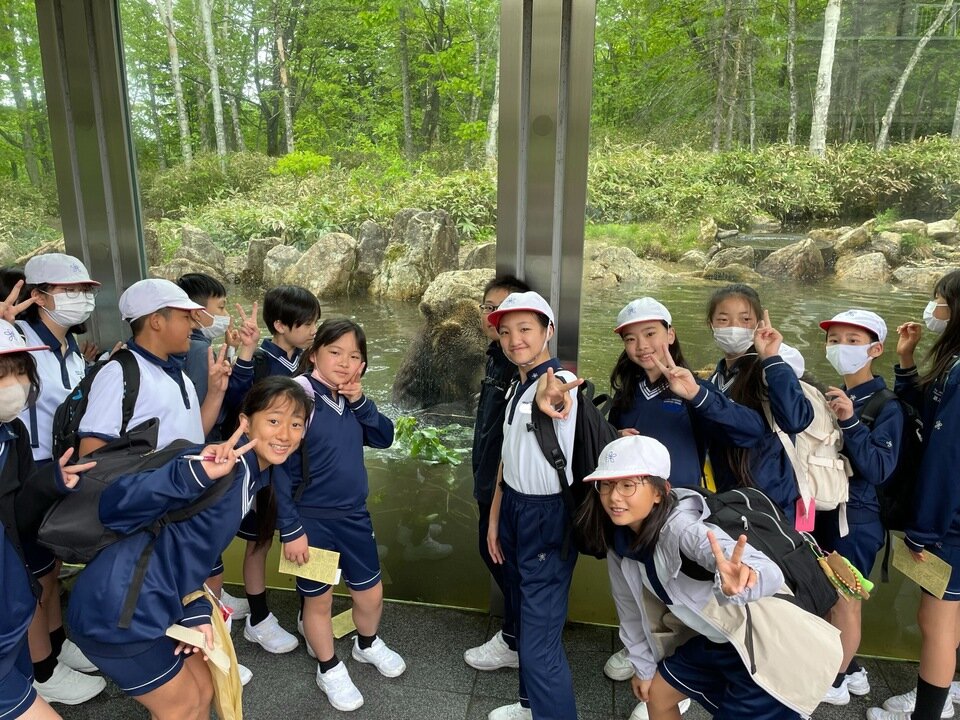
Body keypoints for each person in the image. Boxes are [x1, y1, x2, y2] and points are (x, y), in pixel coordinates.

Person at [66, 376, 310, 719]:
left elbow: (194, 549)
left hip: (158, 597)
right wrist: (192, 473)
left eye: (296, 424)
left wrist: (194, 610)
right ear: (244, 422)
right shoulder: (213, 463)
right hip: (119, 608)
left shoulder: (252, 476)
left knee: (203, 691)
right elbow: (113, 504)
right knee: (182, 706)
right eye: (273, 420)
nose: (285, 434)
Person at [577, 434, 840, 720]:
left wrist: (744, 580)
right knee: (658, 694)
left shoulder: (683, 529)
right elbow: (629, 609)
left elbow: (768, 572)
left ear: (659, 492)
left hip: (764, 649)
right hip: (719, 641)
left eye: (628, 485)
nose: (614, 497)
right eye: (606, 485)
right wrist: (643, 668)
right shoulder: (621, 542)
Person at [603, 296, 770, 718]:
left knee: (676, 598)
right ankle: (641, 655)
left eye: (651, 334)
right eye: (631, 339)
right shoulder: (627, 394)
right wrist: (614, 437)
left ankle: (674, 681)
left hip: (677, 517)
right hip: (631, 517)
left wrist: (696, 394)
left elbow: (752, 431)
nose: (642, 346)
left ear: (671, 334)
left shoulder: (692, 386)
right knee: (635, 590)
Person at [277, 318, 402, 712]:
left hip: (353, 516)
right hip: (310, 520)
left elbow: (384, 436)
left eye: (354, 356)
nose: (345, 363)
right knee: (319, 601)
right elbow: (277, 468)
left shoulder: (351, 397)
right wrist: (290, 528)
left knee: (370, 592)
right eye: (335, 352)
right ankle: (328, 667)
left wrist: (361, 402)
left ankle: (367, 644)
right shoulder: (298, 396)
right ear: (314, 354)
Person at [8, 256, 107, 706]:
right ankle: (41, 670)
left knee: (48, 569)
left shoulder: (69, 348)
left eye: (85, 290)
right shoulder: (18, 340)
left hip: (59, 468)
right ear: (38, 295)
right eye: (69, 290)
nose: (81, 298)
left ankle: (56, 642)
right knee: (32, 573)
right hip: (24, 470)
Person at [484, 291, 582, 720]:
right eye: (506, 331)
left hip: (547, 515)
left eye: (525, 329)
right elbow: (507, 458)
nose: (514, 340)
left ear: (549, 331)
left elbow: (557, 400)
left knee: (540, 641)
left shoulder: (559, 384)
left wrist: (552, 398)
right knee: (524, 615)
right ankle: (530, 706)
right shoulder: (517, 385)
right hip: (513, 508)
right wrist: (494, 518)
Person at [869, 270, 960, 720]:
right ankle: (947, 689)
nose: (933, 309)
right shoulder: (953, 362)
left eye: (939, 300)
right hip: (951, 516)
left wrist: (923, 530)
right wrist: (905, 362)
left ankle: (928, 712)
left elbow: (946, 457)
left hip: (950, 523)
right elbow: (927, 412)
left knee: (936, 620)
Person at [813, 310, 903, 707]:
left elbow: (880, 469)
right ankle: (851, 670)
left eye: (853, 341)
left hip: (857, 519)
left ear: (876, 350)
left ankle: (833, 682)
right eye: (834, 340)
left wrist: (850, 422)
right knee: (830, 596)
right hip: (827, 513)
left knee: (845, 601)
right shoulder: (831, 394)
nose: (841, 348)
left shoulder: (887, 406)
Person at [227, 285, 321, 656]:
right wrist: (245, 353)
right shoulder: (263, 361)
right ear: (281, 325)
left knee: (306, 537)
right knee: (261, 540)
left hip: (299, 471)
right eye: (307, 323)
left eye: (315, 322)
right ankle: (259, 617)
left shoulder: (306, 361)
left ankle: (309, 610)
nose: (313, 329)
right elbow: (238, 401)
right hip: (266, 469)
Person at [76, 279, 231, 458]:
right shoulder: (119, 374)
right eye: (186, 317)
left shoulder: (177, 373)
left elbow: (194, 436)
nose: (193, 325)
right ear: (156, 321)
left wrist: (215, 392)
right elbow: (91, 456)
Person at [463, 274, 530, 673]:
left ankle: (517, 639)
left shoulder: (520, 367)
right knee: (495, 554)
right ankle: (519, 634)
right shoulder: (495, 358)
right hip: (489, 479)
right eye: (488, 308)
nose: (494, 316)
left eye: (502, 309)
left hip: (508, 487)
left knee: (505, 560)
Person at [704, 284, 813, 522]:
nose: (734, 327)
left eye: (745, 319)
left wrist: (771, 358)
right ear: (711, 324)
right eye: (723, 319)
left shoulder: (768, 370)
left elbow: (796, 420)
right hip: (726, 500)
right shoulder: (715, 379)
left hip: (771, 503)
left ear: (758, 325)